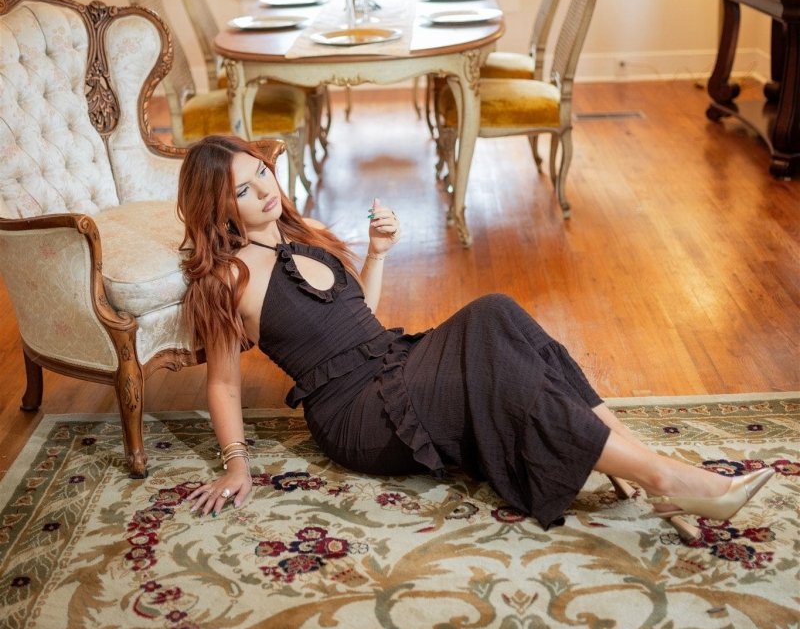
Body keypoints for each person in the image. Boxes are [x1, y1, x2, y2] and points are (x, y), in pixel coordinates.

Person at [178, 135, 772, 532]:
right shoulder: (228, 279)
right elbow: (224, 385)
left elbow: (357, 317)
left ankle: (639, 460)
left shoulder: (300, 232)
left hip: (391, 362)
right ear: (218, 207)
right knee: (494, 351)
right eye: (244, 190)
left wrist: (377, 253)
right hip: (356, 415)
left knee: (496, 315)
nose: (266, 191)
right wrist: (236, 465)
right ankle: (662, 476)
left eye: (263, 173)